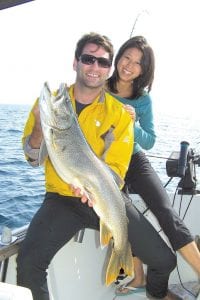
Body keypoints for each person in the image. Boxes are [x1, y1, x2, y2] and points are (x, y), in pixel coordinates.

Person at [16, 32, 178, 300]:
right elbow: (33, 159)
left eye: (103, 62)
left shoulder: (119, 115)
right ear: (75, 62)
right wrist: (37, 128)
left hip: (108, 197)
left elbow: (115, 171)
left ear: (109, 69)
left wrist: (93, 188)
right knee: (28, 264)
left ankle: (153, 292)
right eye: (89, 59)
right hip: (62, 199)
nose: (95, 67)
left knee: (164, 261)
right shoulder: (50, 104)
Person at [106, 35, 200, 296]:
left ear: (144, 70)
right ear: (118, 56)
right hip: (108, 164)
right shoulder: (99, 87)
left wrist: (133, 124)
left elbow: (149, 141)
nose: (129, 65)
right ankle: (138, 278)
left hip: (135, 159)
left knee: (166, 212)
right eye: (127, 57)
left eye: (138, 63)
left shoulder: (143, 100)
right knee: (125, 222)